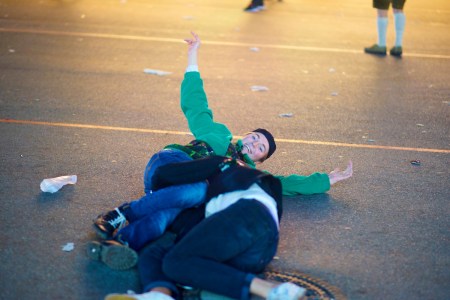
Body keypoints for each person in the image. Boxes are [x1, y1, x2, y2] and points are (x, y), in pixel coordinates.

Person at [88, 32, 353, 269]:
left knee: (167, 217)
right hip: (171, 165)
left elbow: (284, 184)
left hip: (173, 194)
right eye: (254, 137)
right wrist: (193, 56)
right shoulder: (219, 136)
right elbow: (196, 105)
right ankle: (120, 214)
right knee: (199, 190)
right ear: (245, 135)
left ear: (260, 160)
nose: (253, 144)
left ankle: (117, 244)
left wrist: (325, 180)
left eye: (260, 147)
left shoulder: (247, 172)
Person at [105, 156, 306, 300]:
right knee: (156, 254)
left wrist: (151, 196)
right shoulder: (202, 209)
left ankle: (271, 291)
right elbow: (174, 228)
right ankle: (159, 293)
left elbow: (166, 174)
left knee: (176, 261)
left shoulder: (223, 165)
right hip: (252, 253)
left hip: (250, 215)